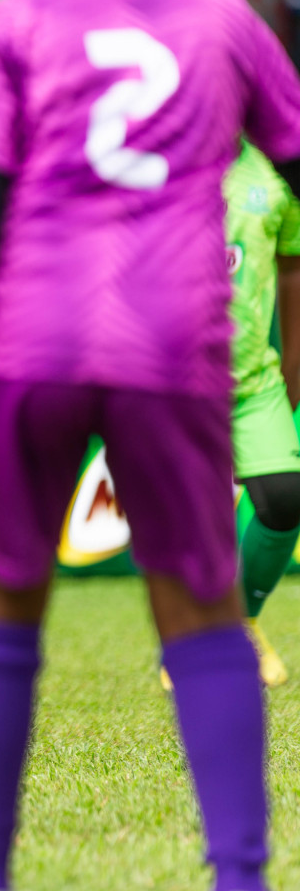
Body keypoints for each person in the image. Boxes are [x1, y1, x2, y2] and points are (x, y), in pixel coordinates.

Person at [0, 0, 300, 890]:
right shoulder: (225, 19)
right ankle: (241, 876)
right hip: (176, 351)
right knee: (203, 612)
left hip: (29, 349)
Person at [223, 145, 300, 685]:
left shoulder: (275, 174)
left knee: (284, 496)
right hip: (169, 383)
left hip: (253, 381)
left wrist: (293, 370)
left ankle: (241, 623)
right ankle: (194, 645)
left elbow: (293, 270)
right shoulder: (150, 156)